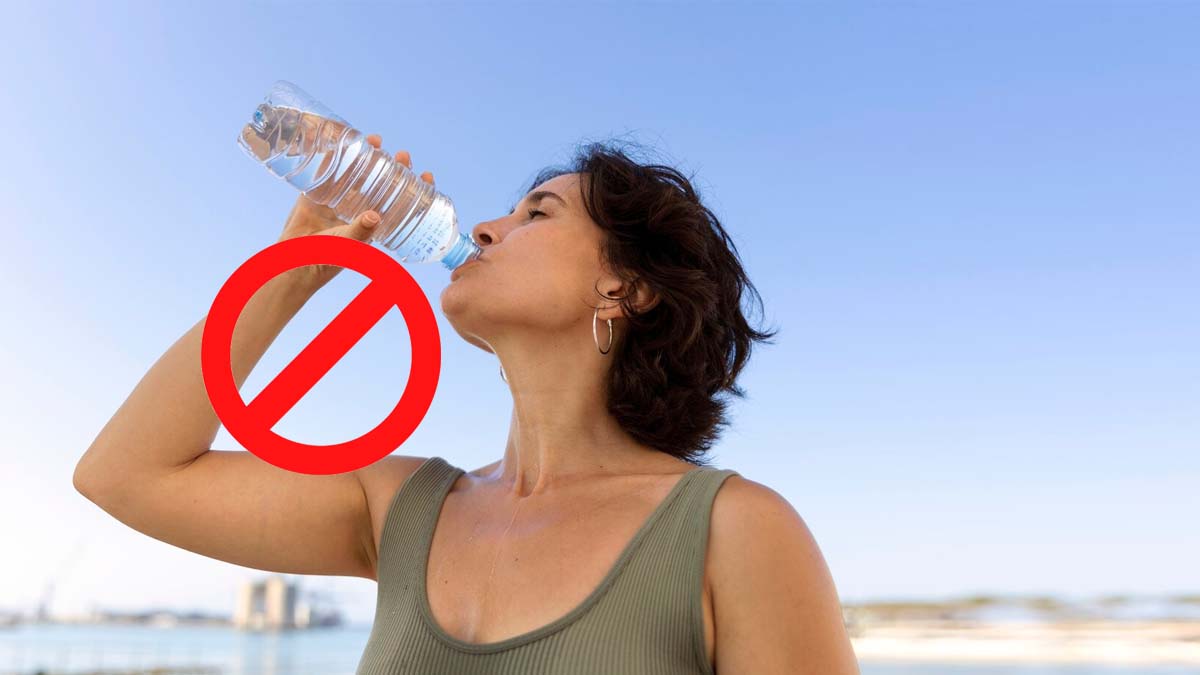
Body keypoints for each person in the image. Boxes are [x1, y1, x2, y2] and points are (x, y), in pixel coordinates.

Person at [73, 134, 860, 674]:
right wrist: (298, 267)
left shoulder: (736, 531)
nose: (484, 228)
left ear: (622, 286)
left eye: (536, 214)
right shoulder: (399, 506)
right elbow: (125, 473)